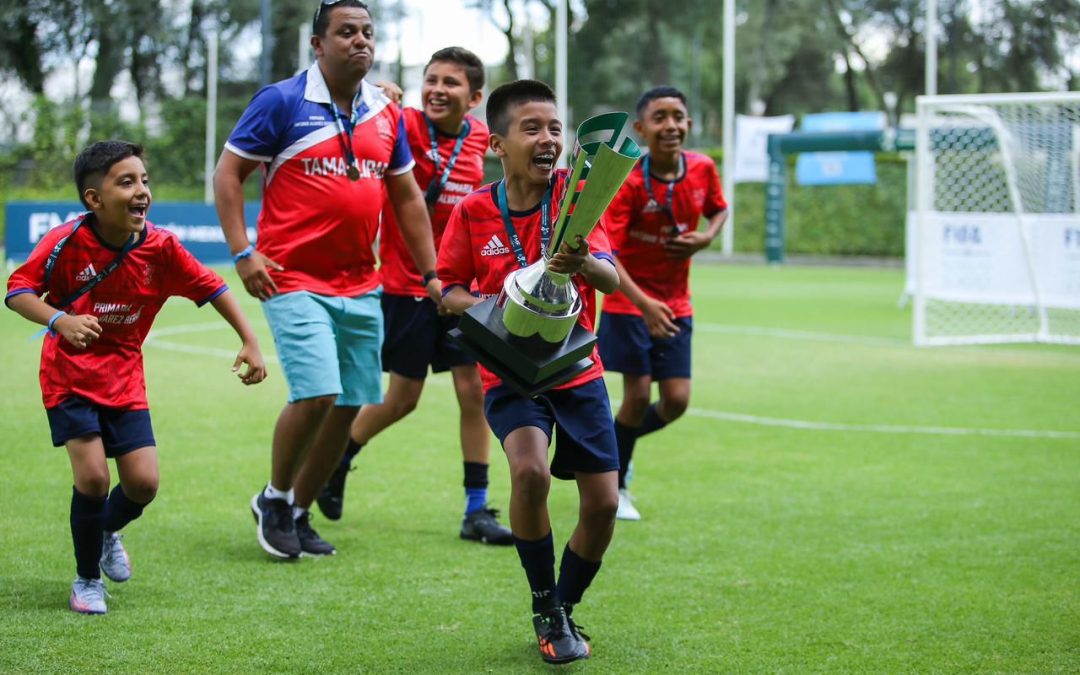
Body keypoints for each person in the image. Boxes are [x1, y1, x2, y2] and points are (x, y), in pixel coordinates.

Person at [213, 0, 440, 559]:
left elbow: (407, 196)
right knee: (317, 390)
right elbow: (228, 174)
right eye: (345, 32)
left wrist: (433, 272)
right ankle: (275, 496)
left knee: (351, 403)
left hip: (363, 284)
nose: (360, 40)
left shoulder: (385, 115)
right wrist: (243, 252)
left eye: (367, 31)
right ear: (318, 45)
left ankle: (299, 511)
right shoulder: (282, 101)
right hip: (290, 277)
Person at [5, 140, 267, 615]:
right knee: (92, 478)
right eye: (126, 182)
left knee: (144, 484)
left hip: (124, 378)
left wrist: (250, 339)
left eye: (144, 180)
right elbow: (18, 290)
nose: (141, 190)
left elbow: (213, 287)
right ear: (94, 199)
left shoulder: (161, 247)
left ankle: (106, 529)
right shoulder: (64, 241)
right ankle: (86, 581)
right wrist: (59, 320)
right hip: (68, 376)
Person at [438, 79, 621, 665]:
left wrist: (583, 262)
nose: (548, 139)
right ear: (500, 144)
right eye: (532, 128)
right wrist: (502, 302)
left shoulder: (578, 198)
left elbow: (612, 280)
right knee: (529, 475)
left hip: (576, 364)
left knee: (603, 505)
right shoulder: (471, 210)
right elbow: (448, 291)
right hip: (510, 371)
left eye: (555, 129)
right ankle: (546, 605)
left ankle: (561, 607)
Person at [315, 47, 512, 545]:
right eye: (431, 80)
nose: (438, 90)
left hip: (461, 290)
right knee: (402, 399)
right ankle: (338, 460)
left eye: (451, 83)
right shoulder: (399, 122)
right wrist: (376, 93)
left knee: (474, 392)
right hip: (406, 286)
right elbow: (355, 108)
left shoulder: (481, 144)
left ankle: (475, 510)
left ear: (475, 98)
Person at [597, 85, 728, 521]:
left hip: (676, 302)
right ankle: (616, 485)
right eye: (660, 118)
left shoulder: (703, 168)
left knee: (676, 400)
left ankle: (613, 450)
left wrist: (707, 237)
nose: (671, 125)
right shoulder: (631, 180)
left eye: (678, 116)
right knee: (635, 396)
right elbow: (607, 254)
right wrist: (644, 304)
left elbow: (719, 209)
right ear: (641, 128)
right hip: (629, 300)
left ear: (688, 124)